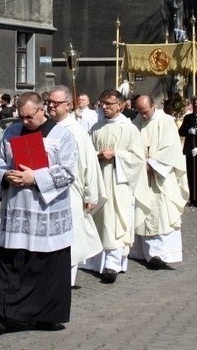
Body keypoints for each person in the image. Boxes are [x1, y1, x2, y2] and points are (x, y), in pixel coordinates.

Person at [0, 92, 77, 332]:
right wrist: (5, 174)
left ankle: (44, 314)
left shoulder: (62, 135)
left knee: (43, 266)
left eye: (30, 116)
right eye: (22, 117)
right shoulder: (11, 133)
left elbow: (69, 172)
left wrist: (35, 177)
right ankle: (4, 311)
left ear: (42, 109)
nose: (26, 121)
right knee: (12, 261)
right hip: (16, 209)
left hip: (46, 211)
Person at [45, 85, 105, 287]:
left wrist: (91, 195)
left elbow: (89, 164)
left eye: (56, 103)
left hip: (71, 192)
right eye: (49, 102)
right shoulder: (48, 128)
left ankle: (66, 281)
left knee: (70, 238)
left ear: (68, 105)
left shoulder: (77, 132)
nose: (51, 106)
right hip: (48, 191)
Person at [84, 89, 146, 283]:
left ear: (120, 105)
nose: (104, 107)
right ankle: (95, 261)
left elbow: (138, 158)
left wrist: (116, 155)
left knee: (115, 221)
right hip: (99, 178)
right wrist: (97, 154)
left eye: (109, 103)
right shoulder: (96, 127)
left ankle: (112, 264)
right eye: (102, 103)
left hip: (119, 183)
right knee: (98, 219)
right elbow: (88, 153)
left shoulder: (129, 129)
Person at [130, 95, 188, 270]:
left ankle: (161, 253)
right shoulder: (136, 121)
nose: (143, 115)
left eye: (145, 111)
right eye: (139, 111)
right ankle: (142, 252)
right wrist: (137, 165)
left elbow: (170, 148)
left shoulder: (166, 121)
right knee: (142, 211)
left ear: (153, 106)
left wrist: (152, 165)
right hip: (141, 176)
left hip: (159, 176)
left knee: (161, 213)